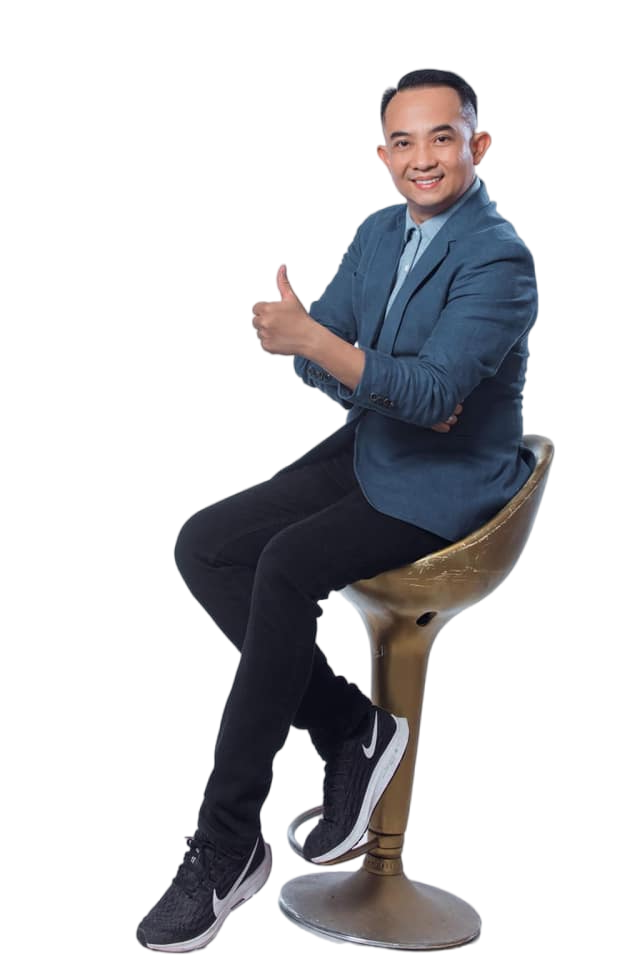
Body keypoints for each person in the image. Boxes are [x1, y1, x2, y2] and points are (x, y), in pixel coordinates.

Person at [136, 68, 539, 953]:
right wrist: (367, 373)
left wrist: (341, 354)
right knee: (206, 544)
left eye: (442, 137)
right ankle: (351, 725)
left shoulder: (501, 257)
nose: (422, 157)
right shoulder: (380, 230)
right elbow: (331, 370)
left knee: (284, 566)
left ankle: (225, 845)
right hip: (375, 448)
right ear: (382, 154)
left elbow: (393, 377)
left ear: (478, 146)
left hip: (450, 486)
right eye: (402, 140)